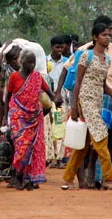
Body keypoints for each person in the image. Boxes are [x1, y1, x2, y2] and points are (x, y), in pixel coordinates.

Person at [62, 23, 112, 190]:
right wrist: (75, 107)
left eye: (109, 35)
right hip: (85, 100)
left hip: (97, 102)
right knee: (101, 136)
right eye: (104, 35)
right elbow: (77, 83)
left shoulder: (107, 60)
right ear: (96, 37)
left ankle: (68, 178)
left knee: (83, 144)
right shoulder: (86, 56)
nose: (108, 37)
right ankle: (108, 179)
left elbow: (103, 85)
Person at [4, 49, 53, 190]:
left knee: (35, 148)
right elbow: (8, 97)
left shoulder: (37, 77)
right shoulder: (14, 77)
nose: (32, 65)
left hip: (35, 117)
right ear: (22, 62)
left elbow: (49, 92)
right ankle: (18, 175)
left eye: (34, 62)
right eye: (29, 62)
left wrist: (56, 98)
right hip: (18, 116)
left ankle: (31, 179)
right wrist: (5, 117)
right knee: (22, 147)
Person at [47, 36, 68, 169]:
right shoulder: (44, 61)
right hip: (48, 100)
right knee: (50, 129)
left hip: (61, 101)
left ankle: (60, 157)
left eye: (62, 47)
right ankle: (52, 157)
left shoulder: (66, 62)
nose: (60, 50)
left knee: (60, 129)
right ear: (52, 47)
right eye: (57, 47)